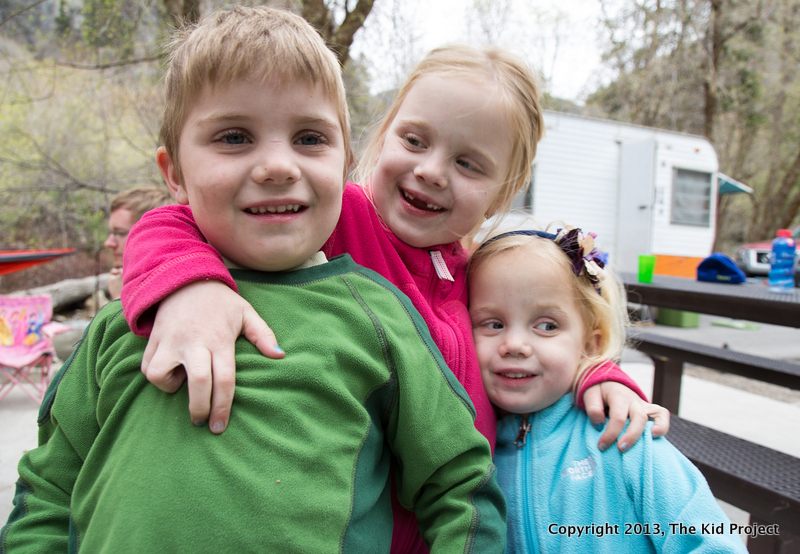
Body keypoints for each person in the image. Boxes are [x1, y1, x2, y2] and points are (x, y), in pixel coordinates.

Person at [120, 43, 669, 552]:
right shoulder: (337, 219)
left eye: (468, 163)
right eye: (415, 140)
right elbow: (170, 222)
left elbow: (534, 342)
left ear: (502, 190)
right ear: (383, 137)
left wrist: (596, 374)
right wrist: (192, 286)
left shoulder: (482, 277)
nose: (430, 171)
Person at [1, 7, 507, 552]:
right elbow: (47, 494)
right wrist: (186, 283)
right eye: (235, 137)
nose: (277, 166)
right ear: (174, 173)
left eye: (310, 138)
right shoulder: (129, 320)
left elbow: (461, 487)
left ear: (344, 163)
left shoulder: (380, 319)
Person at [469, 228, 747, 553]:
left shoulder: (627, 439)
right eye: (493, 324)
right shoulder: (472, 450)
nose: (514, 344)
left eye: (547, 325)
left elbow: (714, 544)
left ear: (590, 345)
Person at [104, 186, 174, 300]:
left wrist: (120, 298)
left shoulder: (170, 290)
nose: (108, 243)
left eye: (120, 233)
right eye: (111, 232)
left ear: (152, 235)